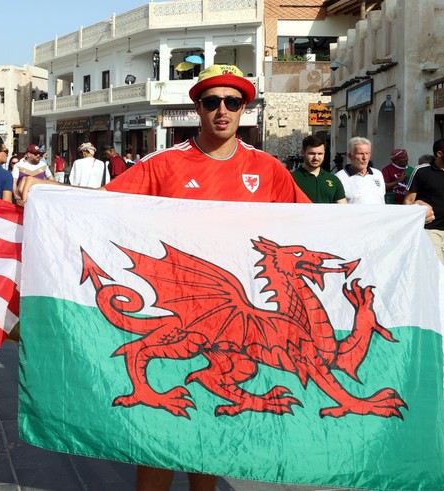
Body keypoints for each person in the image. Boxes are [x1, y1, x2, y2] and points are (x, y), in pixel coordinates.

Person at [17, 64, 309, 491]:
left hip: (237, 319)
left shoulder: (268, 170)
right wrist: (47, 191)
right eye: (212, 102)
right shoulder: (166, 163)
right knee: (160, 430)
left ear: (245, 108)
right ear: (198, 108)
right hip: (179, 310)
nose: (222, 111)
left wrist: (402, 218)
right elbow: (103, 204)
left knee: (208, 428)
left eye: (233, 102)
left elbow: (313, 225)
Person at [404, 139, 444, 263]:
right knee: (437, 270)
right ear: (439, 153)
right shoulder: (422, 171)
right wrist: (418, 204)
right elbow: (408, 202)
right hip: (431, 230)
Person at [291, 135, 347, 204]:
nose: (316, 158)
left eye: (320, 154)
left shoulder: (334, 180)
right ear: (303, 153)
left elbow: (342, 208)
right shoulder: (292, 179)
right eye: (312, 153)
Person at [334, 137, 385, 204]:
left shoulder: (377, 174)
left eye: (367, 153)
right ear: (349, 156)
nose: (365, 158)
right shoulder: (339, 177)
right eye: (360, 154)